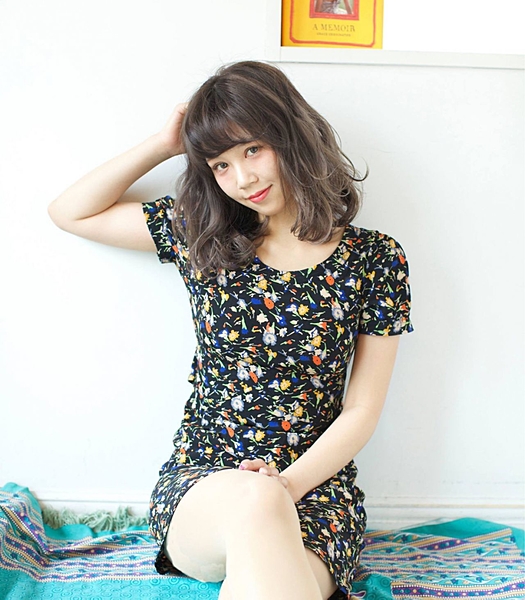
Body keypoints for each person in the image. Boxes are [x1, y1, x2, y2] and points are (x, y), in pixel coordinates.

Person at [48, 60, 413, 600]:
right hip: (206, 485)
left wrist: (287, 484)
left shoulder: (375, 258)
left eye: (252, 150)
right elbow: (70, 212)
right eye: (220, 164)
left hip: (317, 490)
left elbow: (361, 409)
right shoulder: (206, 236)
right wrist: (162, 146)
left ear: (291, 135)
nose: (243, 179)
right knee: (256, 502)